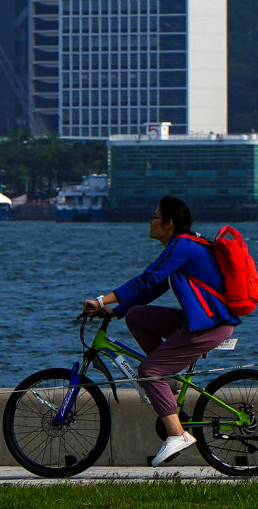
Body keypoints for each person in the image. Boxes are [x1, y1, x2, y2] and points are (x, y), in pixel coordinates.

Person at [82, 193, 235, 463]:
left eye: (154, 216)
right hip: (200, 321)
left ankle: (177, 433)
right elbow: (152, 288)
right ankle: (168, 378)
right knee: (137, 316)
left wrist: (101, 299)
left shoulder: (183, 247)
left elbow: (146, 279)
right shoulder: (181, 247)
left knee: (148, 370)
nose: (150, 221)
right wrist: (117, 311)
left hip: (209, 326)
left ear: (168, 223)